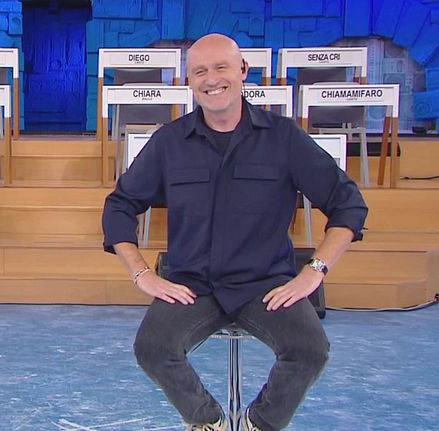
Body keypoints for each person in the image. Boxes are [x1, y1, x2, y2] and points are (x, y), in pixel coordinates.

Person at [102, 34, 368, 431]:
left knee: (310, 349)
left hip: (266, 283)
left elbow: (348, 203)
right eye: (200, 72)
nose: (211, 79)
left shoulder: (283, 137)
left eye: (221, 67)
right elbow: (120, 205)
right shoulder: (169, 142)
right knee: (153, 348)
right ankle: (208, 421)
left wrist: (314, 271)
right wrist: (141, 273)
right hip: (192, 284)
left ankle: (259, 423)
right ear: (189, 81)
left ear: (243, 70)